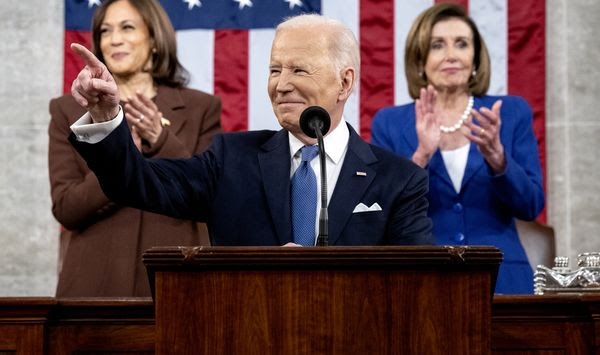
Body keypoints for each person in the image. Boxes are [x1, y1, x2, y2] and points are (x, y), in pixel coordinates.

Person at [66, 14, 433, 249]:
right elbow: (135, 182)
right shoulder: (231, 160)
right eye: (275, 70)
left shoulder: (400, 181)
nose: (282, 85)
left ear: (344, 82)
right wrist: (106, 115)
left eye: (299, 70)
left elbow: (417, 284)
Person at [49, 0, 221, 297]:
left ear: (154, 39)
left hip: (177, 286)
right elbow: (67, 208)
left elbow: (208, 197)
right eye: (105, 31)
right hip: (93, 292)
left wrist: (161, 138)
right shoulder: (68, 110)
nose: (114, 39)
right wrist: (118, 155)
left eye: (127, 27)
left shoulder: (201, 108)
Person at [371, 3, 544, 294]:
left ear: (475, 58)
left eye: (461, 44)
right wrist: (421, 157)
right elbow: (381, 214)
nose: (451, 55)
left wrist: (499, 161)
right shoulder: (389, 123)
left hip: (503, 279)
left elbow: (531, 206)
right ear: (420, 59)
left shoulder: (511, 113)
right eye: (437, 45)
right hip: (425, 279)